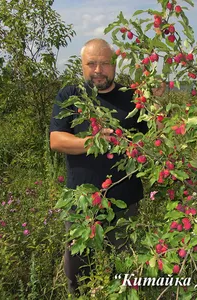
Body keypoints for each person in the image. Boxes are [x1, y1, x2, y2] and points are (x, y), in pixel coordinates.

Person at [49, 38, 164, 295]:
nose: (98, 70)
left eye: (104, 63)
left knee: (124, 269)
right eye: (91, 63)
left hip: (125, 202)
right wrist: (96, 141)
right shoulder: (71, 96)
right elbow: (56, 140)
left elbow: (156, 141)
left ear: (114, 65)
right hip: (81, 203)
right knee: (78, 272)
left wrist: (156, 105)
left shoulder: (132, 97)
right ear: (82, 65)